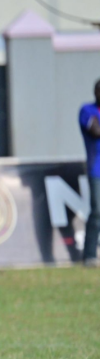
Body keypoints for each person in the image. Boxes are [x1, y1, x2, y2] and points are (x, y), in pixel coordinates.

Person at [79, 79, 100, 266]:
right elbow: (96, 131)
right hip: (96, 169)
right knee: (97, 211)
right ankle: (90, 255)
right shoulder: (87, 111)